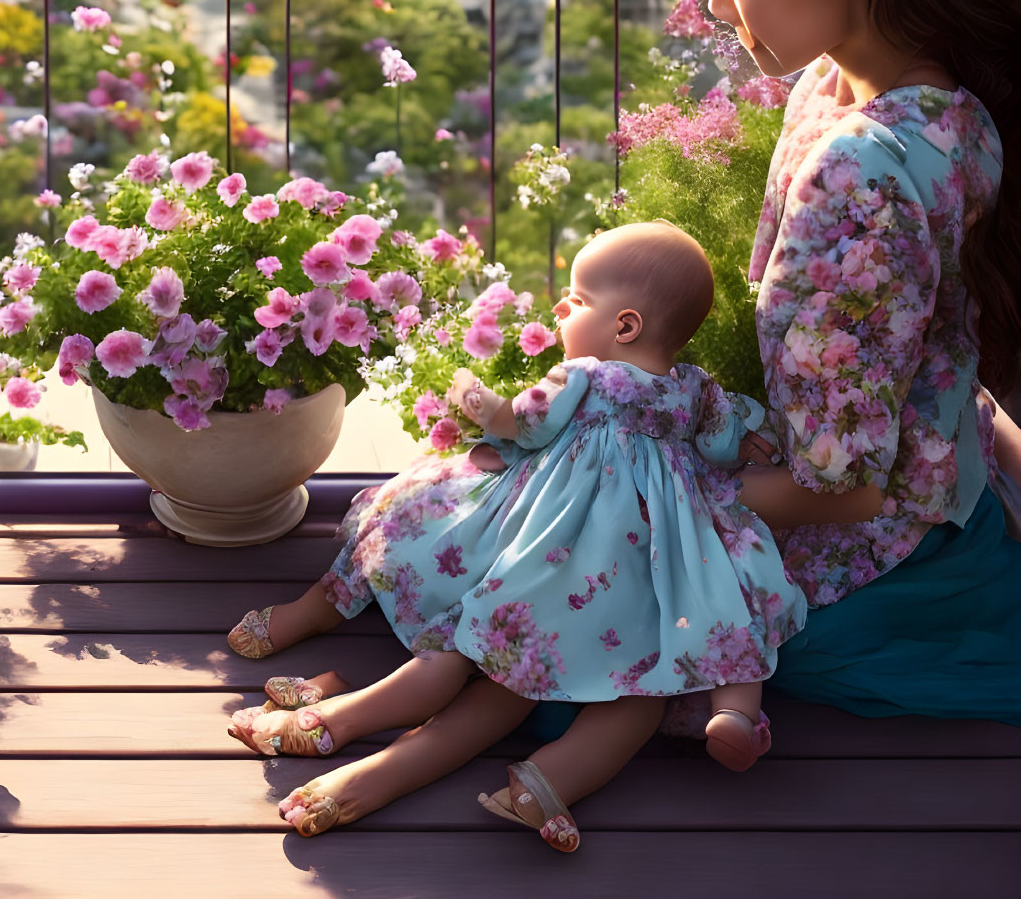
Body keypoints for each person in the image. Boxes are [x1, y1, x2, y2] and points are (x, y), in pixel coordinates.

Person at [231, 0, 1021, 845]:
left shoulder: (861, 164)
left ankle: (377, 753)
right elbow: (926, 356)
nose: (712, 1)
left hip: (859, 540)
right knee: (520, 513)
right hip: (909, 479)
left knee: (545, 614)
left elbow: (843, 488)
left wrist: (649, 503)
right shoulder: (926, 103)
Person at [226, 223, 808, 847]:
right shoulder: (695, 390)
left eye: (579, 299)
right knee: (626, 695)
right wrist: (754, 439)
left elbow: (525, 424)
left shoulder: (582, 376)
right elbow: (725, 445)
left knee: (455, 622)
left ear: (626, 327)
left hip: (545, 545)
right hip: (629, 579)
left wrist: (480, 404)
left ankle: (335, 721)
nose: (562, 306)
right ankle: (539, 782)